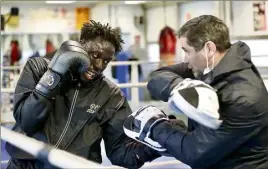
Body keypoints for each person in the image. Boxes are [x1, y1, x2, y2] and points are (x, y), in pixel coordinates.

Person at [5, 20, 161, 169]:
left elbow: (119, 152)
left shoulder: (111, 96)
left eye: (106, 61)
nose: (99, 66)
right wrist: (54, 75)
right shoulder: (38, 68)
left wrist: (157, 145)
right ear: (80, 45)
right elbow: (26, 121)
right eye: (95, 56)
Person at [123, 15, 268, 169]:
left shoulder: (242, 98)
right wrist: (176, 86)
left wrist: (155, 127)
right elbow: (158, 76)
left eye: (187, 51)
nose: (185, 59)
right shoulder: (209, 67)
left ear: (209, 49)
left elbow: (194, 153)